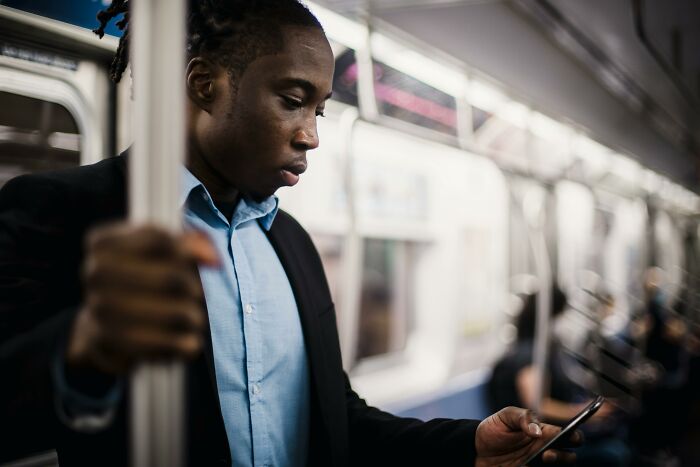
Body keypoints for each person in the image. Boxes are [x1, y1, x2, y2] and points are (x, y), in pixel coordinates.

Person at [0, 1, 580, 465]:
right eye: (292, 101)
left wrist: (465, 445)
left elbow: (335, 420)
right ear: (205, 85)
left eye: (319, 111)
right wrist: (83, 346)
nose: (311, 136)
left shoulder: (293, 244)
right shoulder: (62, 212)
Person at [488, 286, 630, 467]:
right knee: (615, 453)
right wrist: (580, 412)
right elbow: (537, 404)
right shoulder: (529, 355)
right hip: (530, 444)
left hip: (541, 437)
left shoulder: (535, 350)